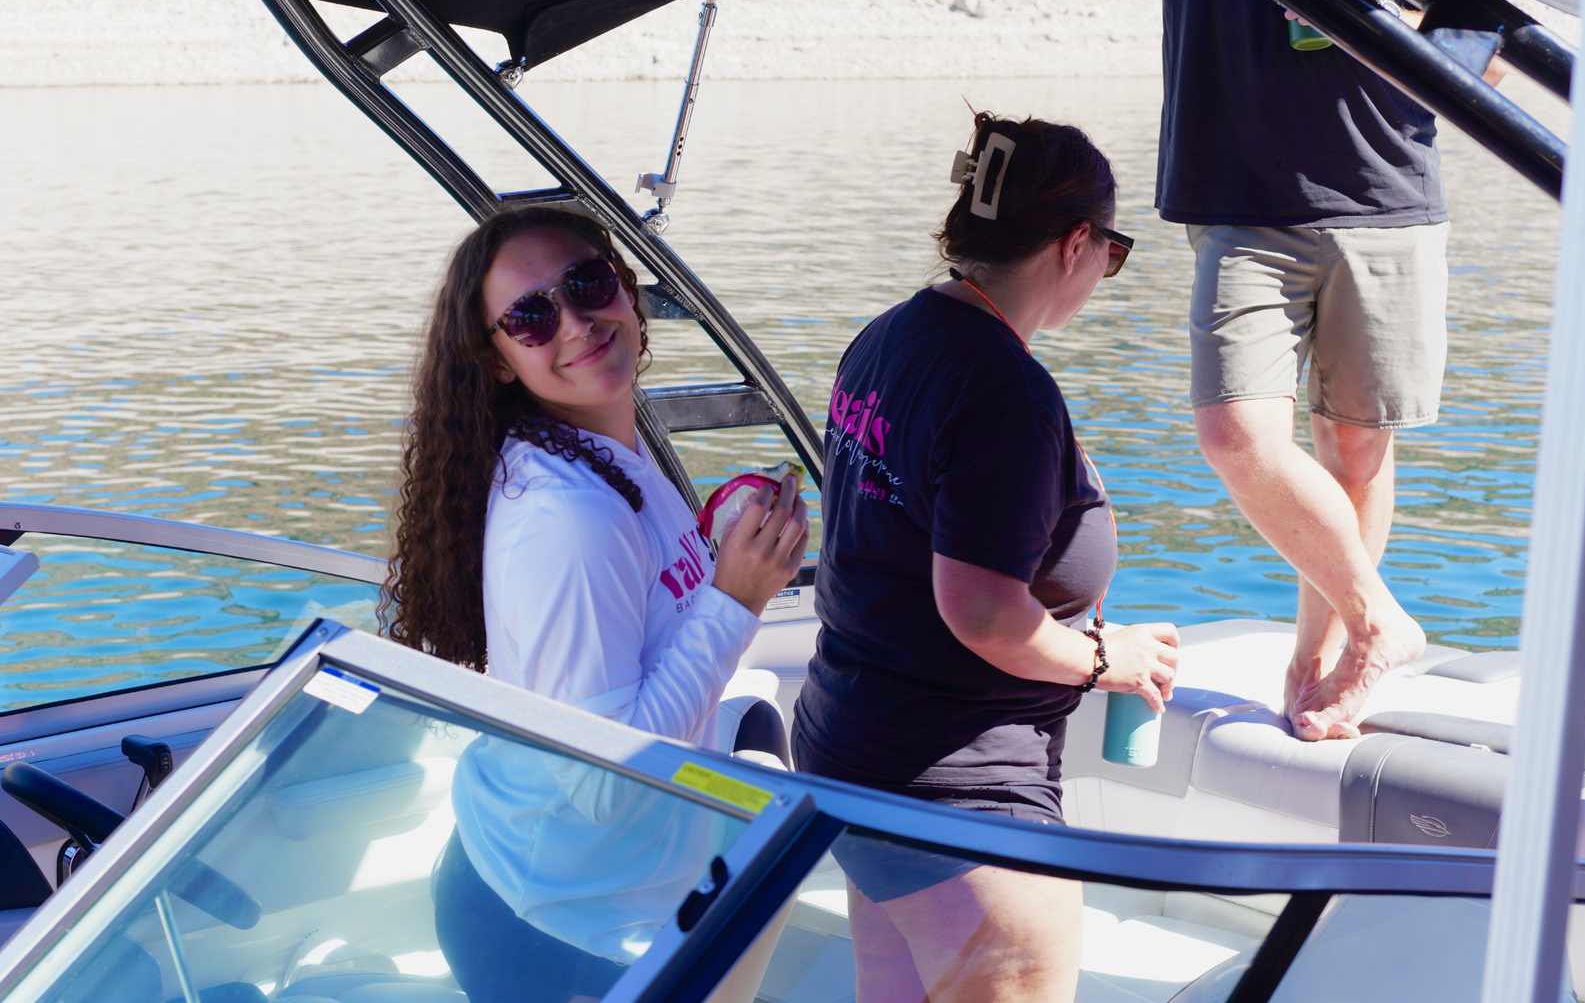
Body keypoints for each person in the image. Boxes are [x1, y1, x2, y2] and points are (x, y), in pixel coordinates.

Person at [794, 113, 1181, 1003]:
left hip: (853, 753)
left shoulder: (889, 336)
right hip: (958, 796)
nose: (1102, 274)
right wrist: (1102, 659)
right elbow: (979, 609)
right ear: (1076, 241)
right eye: (1112, 253)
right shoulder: (1007, 389)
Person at [380, 205, 809, 1003]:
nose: (575, 321)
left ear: (627, 287)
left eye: (587, 282)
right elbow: (609, 780)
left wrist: (720, 563)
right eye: (531, 316)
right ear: (501, 359)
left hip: (598, 890)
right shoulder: (566, 514)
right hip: (561, 931)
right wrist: (736, 597)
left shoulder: (606, 448)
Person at [1158, 0, 1506, 741]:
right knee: (1235, 432)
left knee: (1355, 446)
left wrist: (1422, 67)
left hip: (1387, 183)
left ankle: (1321, 659)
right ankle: (1378, 618)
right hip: (1240, 185)